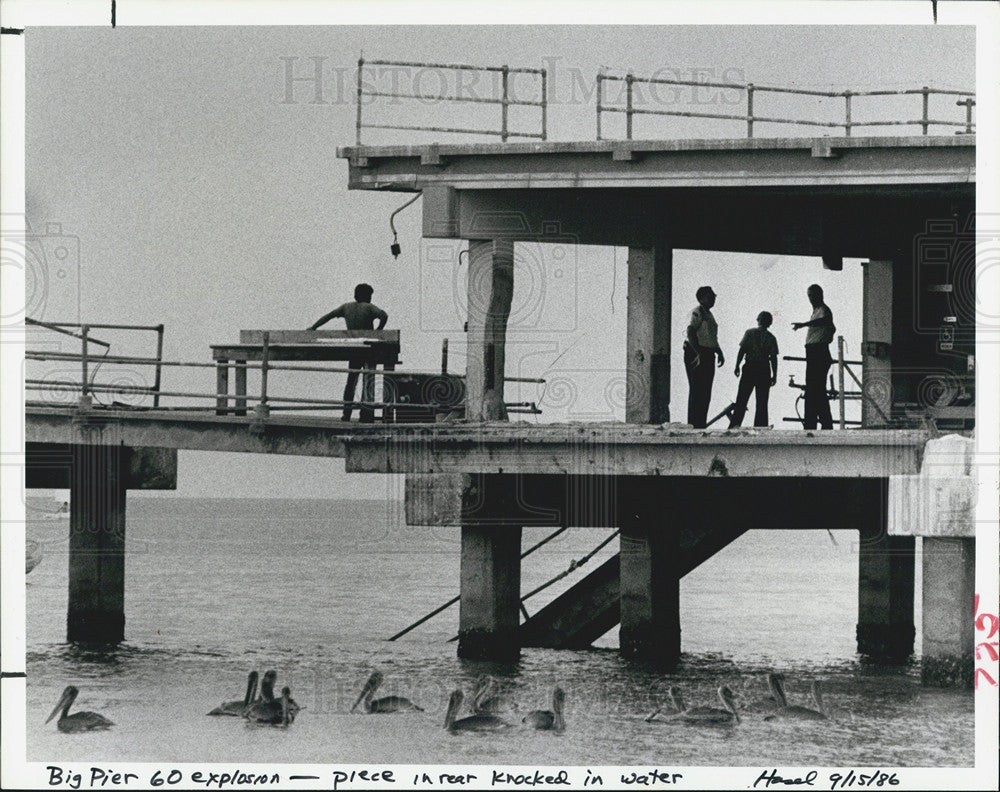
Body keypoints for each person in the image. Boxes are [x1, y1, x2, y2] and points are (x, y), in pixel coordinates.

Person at [309, 283, 388, 422]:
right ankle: (366, 415)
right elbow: (384, 315)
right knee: (368, 380)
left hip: (354, 349)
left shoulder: (346, 307)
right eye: (370, 295)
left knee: (351, 381)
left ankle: (346, 414)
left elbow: (328, 316)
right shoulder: (368, 307)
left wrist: (313, 327)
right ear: (367, 296)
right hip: (368, 348)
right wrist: (377, 332)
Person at [792, 284, 835, 430]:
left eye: (813, 295)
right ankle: (821, 423)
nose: (811, 298)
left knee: (815, 389)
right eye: (809, 295)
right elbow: (830, 327)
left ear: (820, 294)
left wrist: (804, 324)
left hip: (818, 352)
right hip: (814, 352)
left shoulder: (823, 310)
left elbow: (826, 321)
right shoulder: (817, 311)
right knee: (816, 389)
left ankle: (815, 423)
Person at [729, 311, 779, 428]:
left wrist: (737, 365)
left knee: (741, 399)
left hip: (750, 368)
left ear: (758, 320)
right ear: (770, 323)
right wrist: (775, 375)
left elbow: (742, 350)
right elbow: (773, 358)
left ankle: (734, 426)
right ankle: (760, 428)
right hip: (763, 369)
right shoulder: (771, 338)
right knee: (762, 402)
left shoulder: (749, 333)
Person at [684, 286, 724, 428]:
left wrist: (718, 351)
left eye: (714, 296)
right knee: (697, 390)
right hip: (696, 352)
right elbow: (690, 332)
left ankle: (700, 423)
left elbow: (711, 336)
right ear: (701, 298)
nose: (713, 299)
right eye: (710, 296)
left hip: (708, 353)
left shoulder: (709, 314)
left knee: (706, 392)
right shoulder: (697, 312)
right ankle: (693, 425)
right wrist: (697, 353)